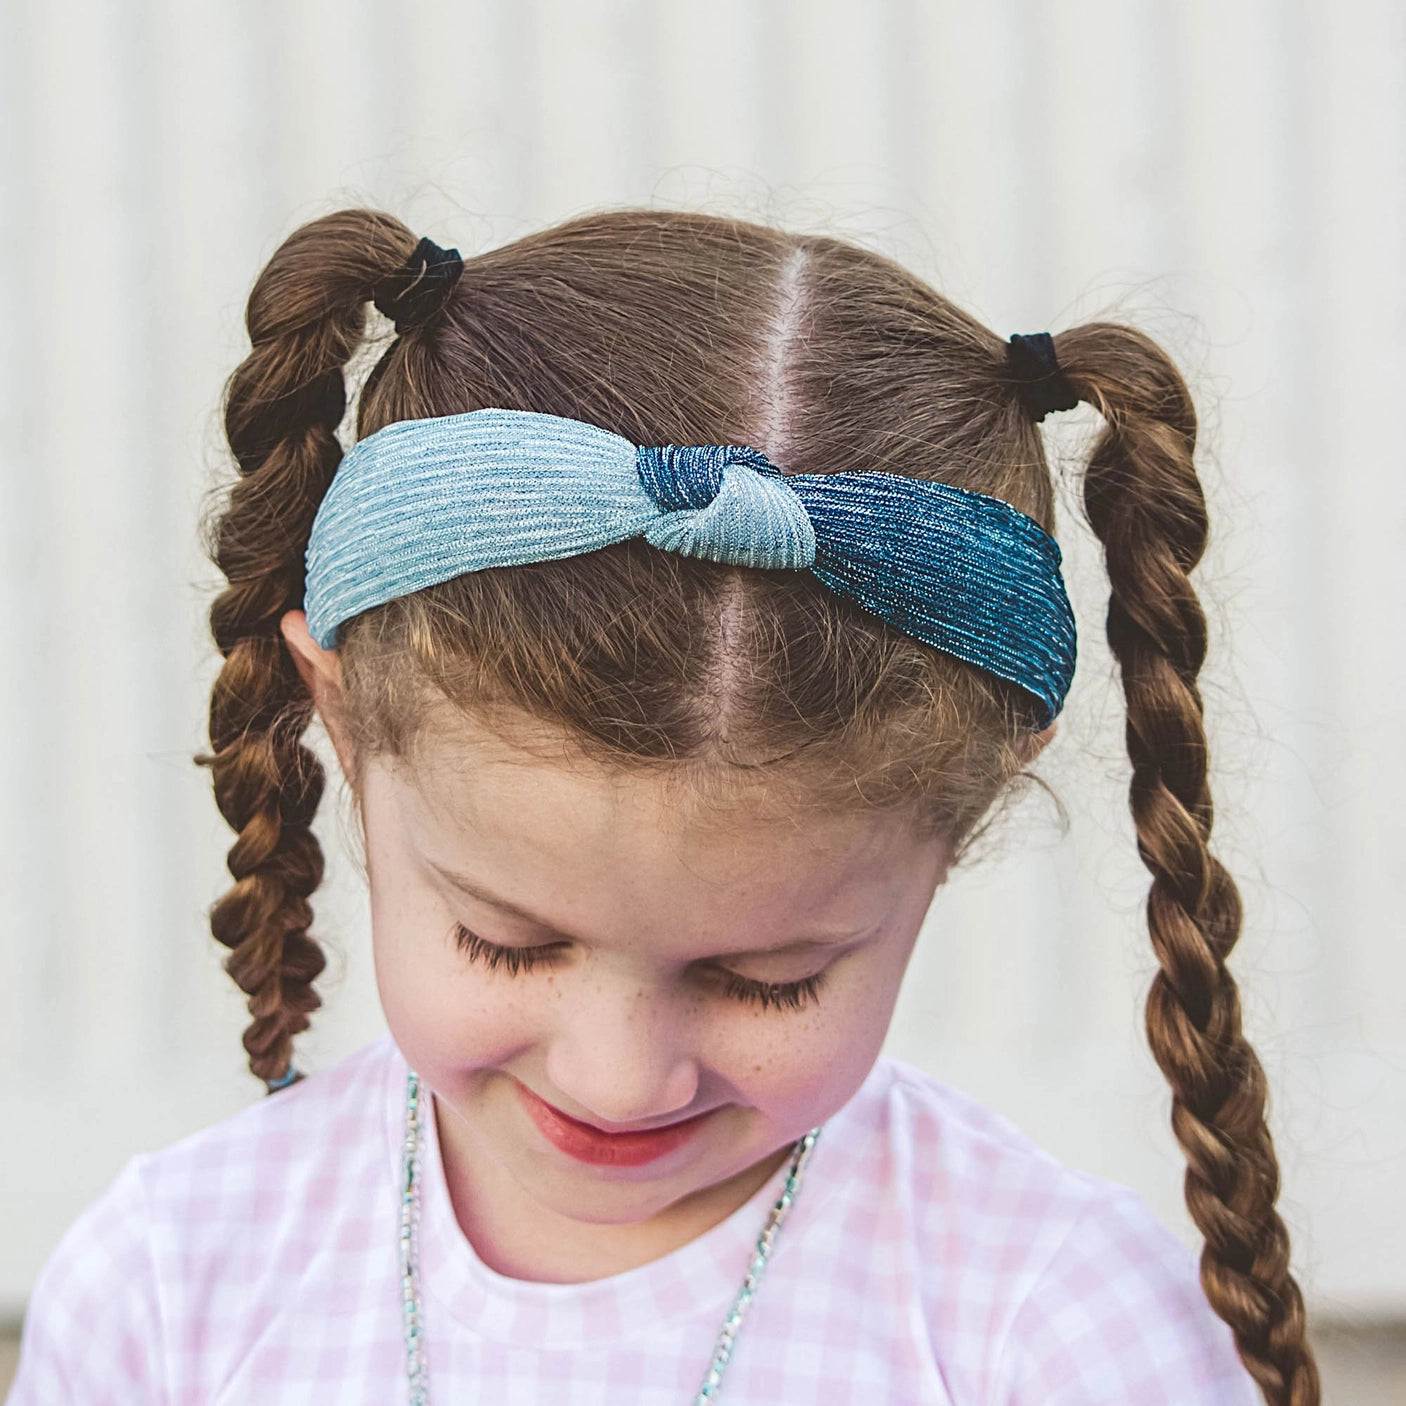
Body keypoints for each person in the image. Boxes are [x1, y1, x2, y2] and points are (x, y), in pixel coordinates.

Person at [7, 207, 1318, 1405]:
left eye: (764, 977)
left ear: (966, 811)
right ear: (343, 723)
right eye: (506, 941)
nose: (618, 1071)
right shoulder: (168, 1292)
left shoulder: (1049, 1328)